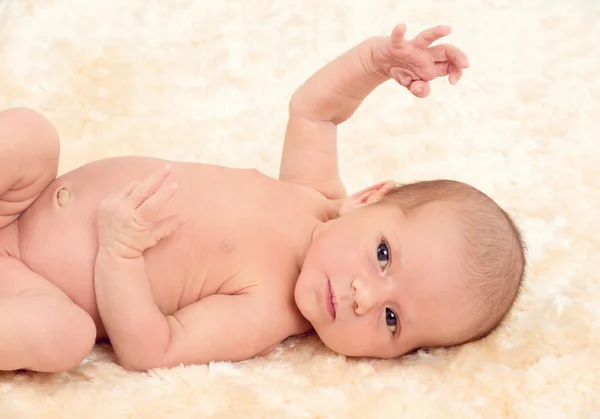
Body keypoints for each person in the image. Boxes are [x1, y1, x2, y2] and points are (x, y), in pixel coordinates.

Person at [0, 23, 524, 372]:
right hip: (19, 201)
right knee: (31, 135)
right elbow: (315, 110)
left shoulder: (268, 312)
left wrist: (120, 255)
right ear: (368, 198)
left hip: (29, 287)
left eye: (392, 321)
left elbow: (152, 347)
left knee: (65, 338)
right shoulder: (314, 194)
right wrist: (374, 62)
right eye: (383, 256)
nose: (365, 297)